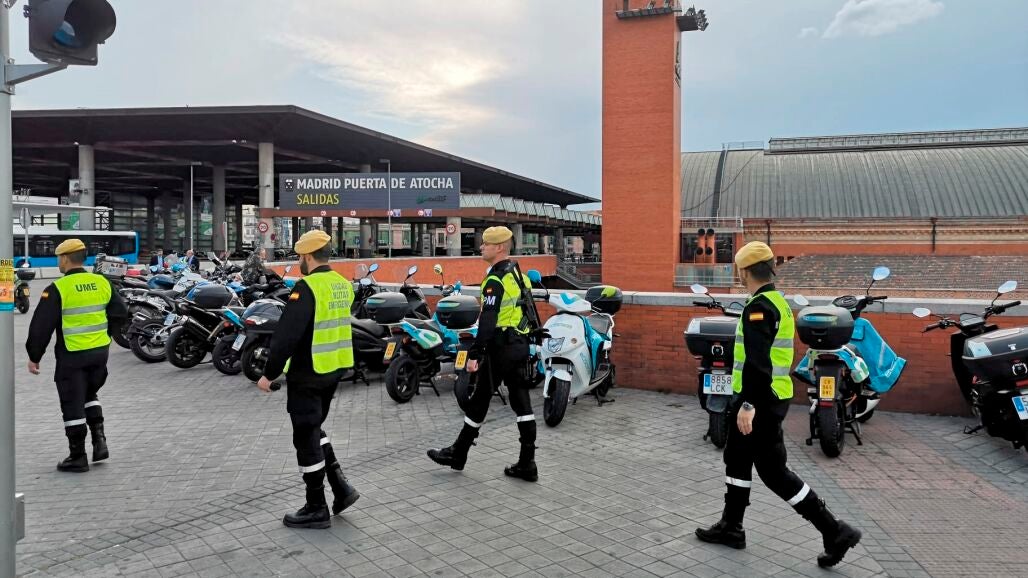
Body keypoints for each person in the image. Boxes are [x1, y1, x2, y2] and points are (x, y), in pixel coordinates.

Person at [695, 241, 861, 568]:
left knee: (774, 472)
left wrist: (748, 406)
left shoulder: (758, 308)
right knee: (737, 459)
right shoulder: (777, 302)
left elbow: (758, 362)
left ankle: (834, 530)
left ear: (744, 272)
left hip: (760, 400)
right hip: (769, 396)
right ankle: (731, 525)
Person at [257, 230, 359, 529]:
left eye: (300, 256)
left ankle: (316, 506)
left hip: (308, 371)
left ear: (308, 256)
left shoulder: (307, 287)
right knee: (314, 427)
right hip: (334, 368)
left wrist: (268, 374)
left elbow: (286, 337)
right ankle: (341, 487)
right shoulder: (343, 285)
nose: (300, 260)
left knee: (304, 435)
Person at [427, 226, 540, 481]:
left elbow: (488, 321)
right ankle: (527, 462)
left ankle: (458, 453)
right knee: (522, 403)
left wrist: (475, 354)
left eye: (485, 244)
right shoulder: (519, 275)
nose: (481, 247)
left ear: (499, 247)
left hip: (500, 346)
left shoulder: (494, 280)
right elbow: (528, 311)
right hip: (519, 344)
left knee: (479, 400)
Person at [26, 239, 128, 473]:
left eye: (58, 258)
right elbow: (120, 312)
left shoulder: (58, 288)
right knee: (89, 393)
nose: (58, 262)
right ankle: (100, 442)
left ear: (64, 258)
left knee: (72, 401)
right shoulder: (102, 282)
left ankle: (77, 456)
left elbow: (41, 327)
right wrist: (106, 335)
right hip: (100, 353)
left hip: (72, 355)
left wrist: (34, 356)